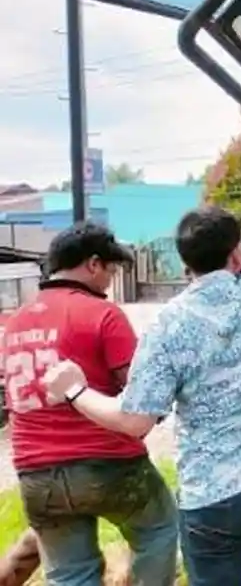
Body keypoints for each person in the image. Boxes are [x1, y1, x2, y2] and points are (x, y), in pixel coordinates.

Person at [42, 98, 241, 586]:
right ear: (238, 253)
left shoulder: (169, 325)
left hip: (212, 495)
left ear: (185, 264)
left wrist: (74, 389)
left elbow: (133, 421)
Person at [3, 222, 177, 585]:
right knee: (158, 529)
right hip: (109, 465)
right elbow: (139, 393)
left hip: (36, 473)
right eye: (111, 270)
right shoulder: (102, 314)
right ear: (93, 264)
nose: (111, 280)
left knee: (70, 573)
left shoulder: (15, 323)